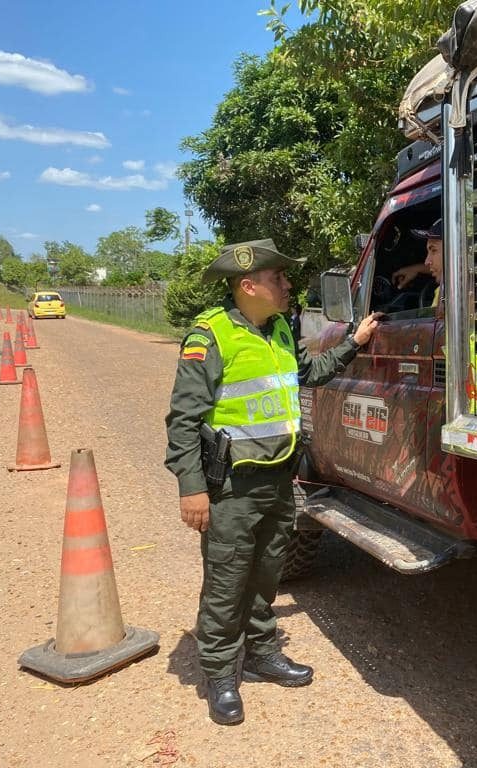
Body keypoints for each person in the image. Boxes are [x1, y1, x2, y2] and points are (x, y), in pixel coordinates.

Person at [164, 238, 380, 726]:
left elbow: (312, 372)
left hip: (279, 480)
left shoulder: (281, 328)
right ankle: (220, 674)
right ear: (248, 285)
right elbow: (182, 421)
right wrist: (191, 486)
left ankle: (262, 653)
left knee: (266, 575)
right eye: (278, 278)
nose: (287, 285)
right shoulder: (210, 336)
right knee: (227, 581)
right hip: (232, 488)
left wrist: (354, 343)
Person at [391, 218, 443, 307]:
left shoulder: (446, 293)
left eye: (433, 250)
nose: (427, 261)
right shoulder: (442, 290)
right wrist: (417, 269)